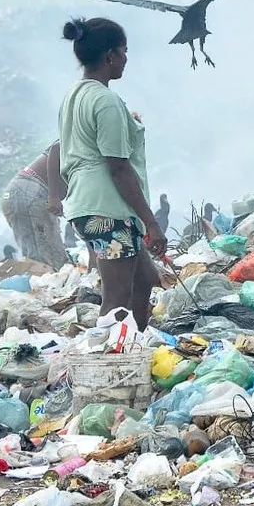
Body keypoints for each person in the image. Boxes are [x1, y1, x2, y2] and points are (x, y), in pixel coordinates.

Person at [58, 17, 166, 331]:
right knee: (117, 296)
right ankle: (108, 368)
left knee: (145, 279)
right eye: (124, 51)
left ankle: (135, 345)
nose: (126, 59)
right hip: (107, 209)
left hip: (91, 204)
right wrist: (151, 222)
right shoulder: (105, 101)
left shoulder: (76, 94)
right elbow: (117, 168)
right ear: (109, 56)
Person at [1, 142, 70, 269]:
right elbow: (56, 148)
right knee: (47, 265)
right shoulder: (85, 132)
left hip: (24, 192)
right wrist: (54, 196)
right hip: (30, 193)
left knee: (48, 261)